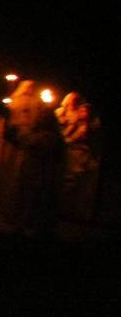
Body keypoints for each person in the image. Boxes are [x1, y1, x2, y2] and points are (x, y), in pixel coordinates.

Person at [0, 79, 64, 236]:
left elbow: (29, 142)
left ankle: (29, 224)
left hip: (38, 171)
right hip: (28, 162)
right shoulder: (17, 104)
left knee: (32, 196)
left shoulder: (45, 136)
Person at [56, 92, 101, 223]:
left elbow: (82, 134)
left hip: (80, 153)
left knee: (80, 182)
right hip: (69, 153)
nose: (73, 103)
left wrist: (69, 139)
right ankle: (64, 209)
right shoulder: (61, 113)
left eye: (76, 101)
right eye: (71, 100)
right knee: (69, 180)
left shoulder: (85, 119)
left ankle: (76, 211)